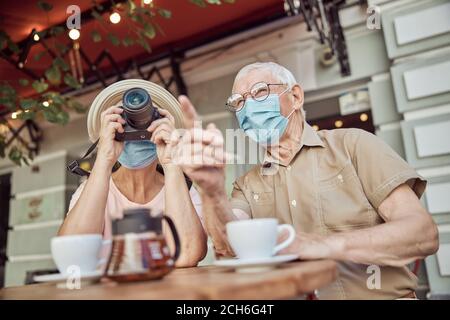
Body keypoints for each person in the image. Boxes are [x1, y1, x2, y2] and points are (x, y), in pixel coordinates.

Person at [173, 62, 439, 299]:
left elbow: (422, 234)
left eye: (260, 92)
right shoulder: (247, 184)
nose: (249, 107)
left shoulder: (353, 145)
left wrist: (318, 245)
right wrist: (212, 190)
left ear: (296, 96)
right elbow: (229, 247)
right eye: (238, 102)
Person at [58, 102, 207, 268]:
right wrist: (104, 158)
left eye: (148, 118)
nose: (135, 126)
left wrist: (171, 163)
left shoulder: (184, 189)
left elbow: (186, 256)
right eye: (125, 119)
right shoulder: (91, 189)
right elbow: (72, 256)